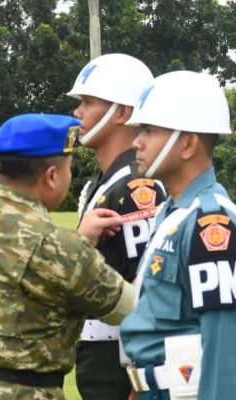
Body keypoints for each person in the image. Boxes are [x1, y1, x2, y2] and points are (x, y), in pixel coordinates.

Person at [0, 114, 136, 399]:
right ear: (52, 176)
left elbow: (14, 264)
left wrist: (78, 241)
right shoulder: (59, 247)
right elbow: (131, 308)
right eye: (69, 169)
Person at [119, 71, 236, 400]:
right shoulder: (172, 212)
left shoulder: (211, 223)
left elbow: (223, 344)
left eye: (150, 130)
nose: (137, 142)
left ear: (188, 144)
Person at [67, 53, 167, 400]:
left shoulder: (137, 186)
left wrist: (140, 384)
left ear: (123, 113)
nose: (78, 112)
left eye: (88, 102)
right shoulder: (107, 181)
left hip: (122, 363)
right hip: (99, 356)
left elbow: (148, 294)